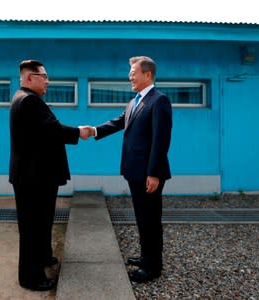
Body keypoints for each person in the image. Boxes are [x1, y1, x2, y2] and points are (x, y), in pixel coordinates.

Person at [83, 56, 172, 283]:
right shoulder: (134, 102)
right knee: (142, 217)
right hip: (134, 170)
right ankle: (146, 257)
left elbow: (160, 141)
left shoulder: (159, 100)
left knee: (151, 219)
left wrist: (153, 173)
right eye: (130, 73)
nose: (130, 77)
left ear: (148, 74)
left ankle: (153, 267)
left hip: (148, 173)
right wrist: (94, 130)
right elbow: (119, 121)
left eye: (133, 72)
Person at [9, 59, 90, 291]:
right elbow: (52, 130)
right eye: (43, 76)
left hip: (36, 176)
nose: (48, 81)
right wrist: (78, 132)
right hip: (32, 179)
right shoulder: (28, 101)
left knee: (42, 222)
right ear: (29, 78)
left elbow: (44, 133)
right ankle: (30, 277)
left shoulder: (28, 100)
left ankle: (44, 257)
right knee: (32, 227)